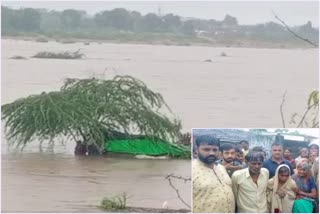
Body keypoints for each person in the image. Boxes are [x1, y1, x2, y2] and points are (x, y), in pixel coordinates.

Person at [193, 135, 235, 213]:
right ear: (196, 150)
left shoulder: (221, 168)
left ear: (219, 152)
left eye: (215, 150)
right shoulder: (191, 170)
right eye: (206, 149)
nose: (211, 153)